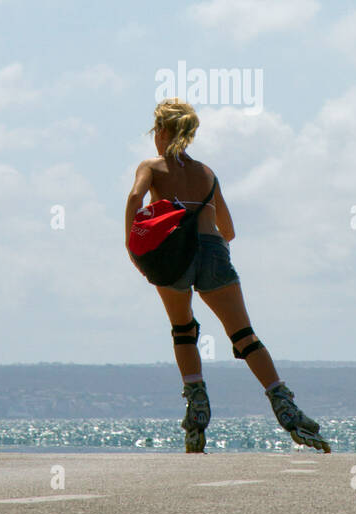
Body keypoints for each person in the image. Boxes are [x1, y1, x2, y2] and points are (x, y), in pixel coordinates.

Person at [125, 98, 331, 454]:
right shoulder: (206, 173)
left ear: (160, 131)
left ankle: (197, 411)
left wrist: (134, 246)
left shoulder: (152, 167)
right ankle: (286, 408)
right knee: (244, 336)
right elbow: (229, 230)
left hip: (173, 255)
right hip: (212, 250)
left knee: (184, 330)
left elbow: (134, 197)